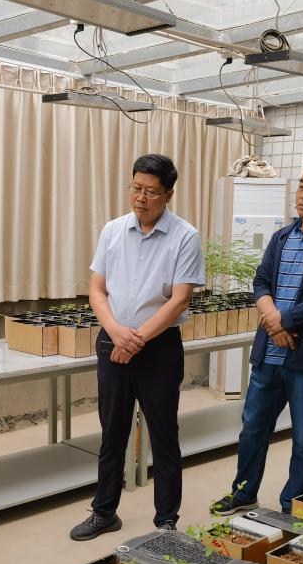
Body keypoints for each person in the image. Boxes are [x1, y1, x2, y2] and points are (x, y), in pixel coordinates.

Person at [210, 158, 303, 516]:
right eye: (302, 185)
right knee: (252, 430)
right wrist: (272, 319)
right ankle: (244, 493)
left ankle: (294, 505)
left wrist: (284, 320)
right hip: (269, 356)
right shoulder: (282, 236)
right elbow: (261, 280)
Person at [69, 154, 205, 540]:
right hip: (113, 342)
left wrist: (136, 339)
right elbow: (97, 290)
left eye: (151, 192)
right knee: (112, 431)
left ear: (169, 195)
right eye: (136, 188)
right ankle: (104, 512)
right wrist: (116, 332)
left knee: (163, 434)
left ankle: (166, 521)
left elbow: (179, 300)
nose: (141, 198)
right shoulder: (112, 231)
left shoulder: (185, 236)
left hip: (158, 349)